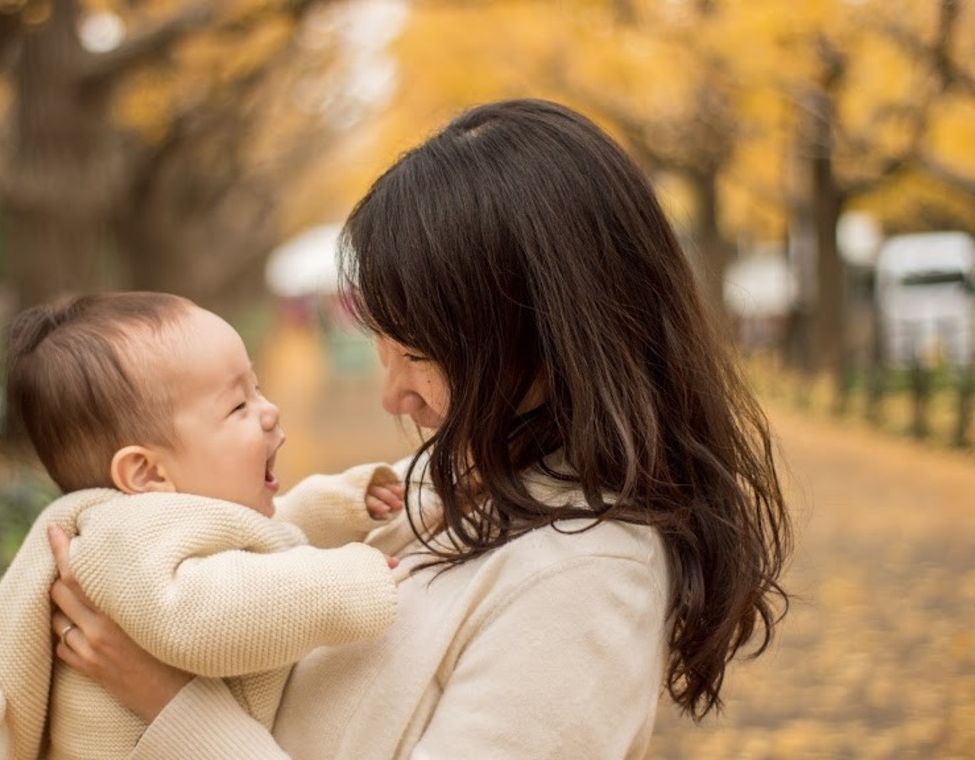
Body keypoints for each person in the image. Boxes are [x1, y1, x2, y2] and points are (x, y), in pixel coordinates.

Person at [45, 99, 794, 759]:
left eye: (420, 354)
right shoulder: (458, 488)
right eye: (384, 348)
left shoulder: (587, 579)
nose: (392, 395)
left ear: (546, 338)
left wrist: (170, 707)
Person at [0, 292, 402, 760]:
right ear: (146, 474)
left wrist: (338, 508)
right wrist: (348, 582)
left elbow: (260, 537)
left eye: (257, 388)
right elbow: (200, 612)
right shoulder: (123, 534)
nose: (269, 411)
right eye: (237, 407)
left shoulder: (154, 521)